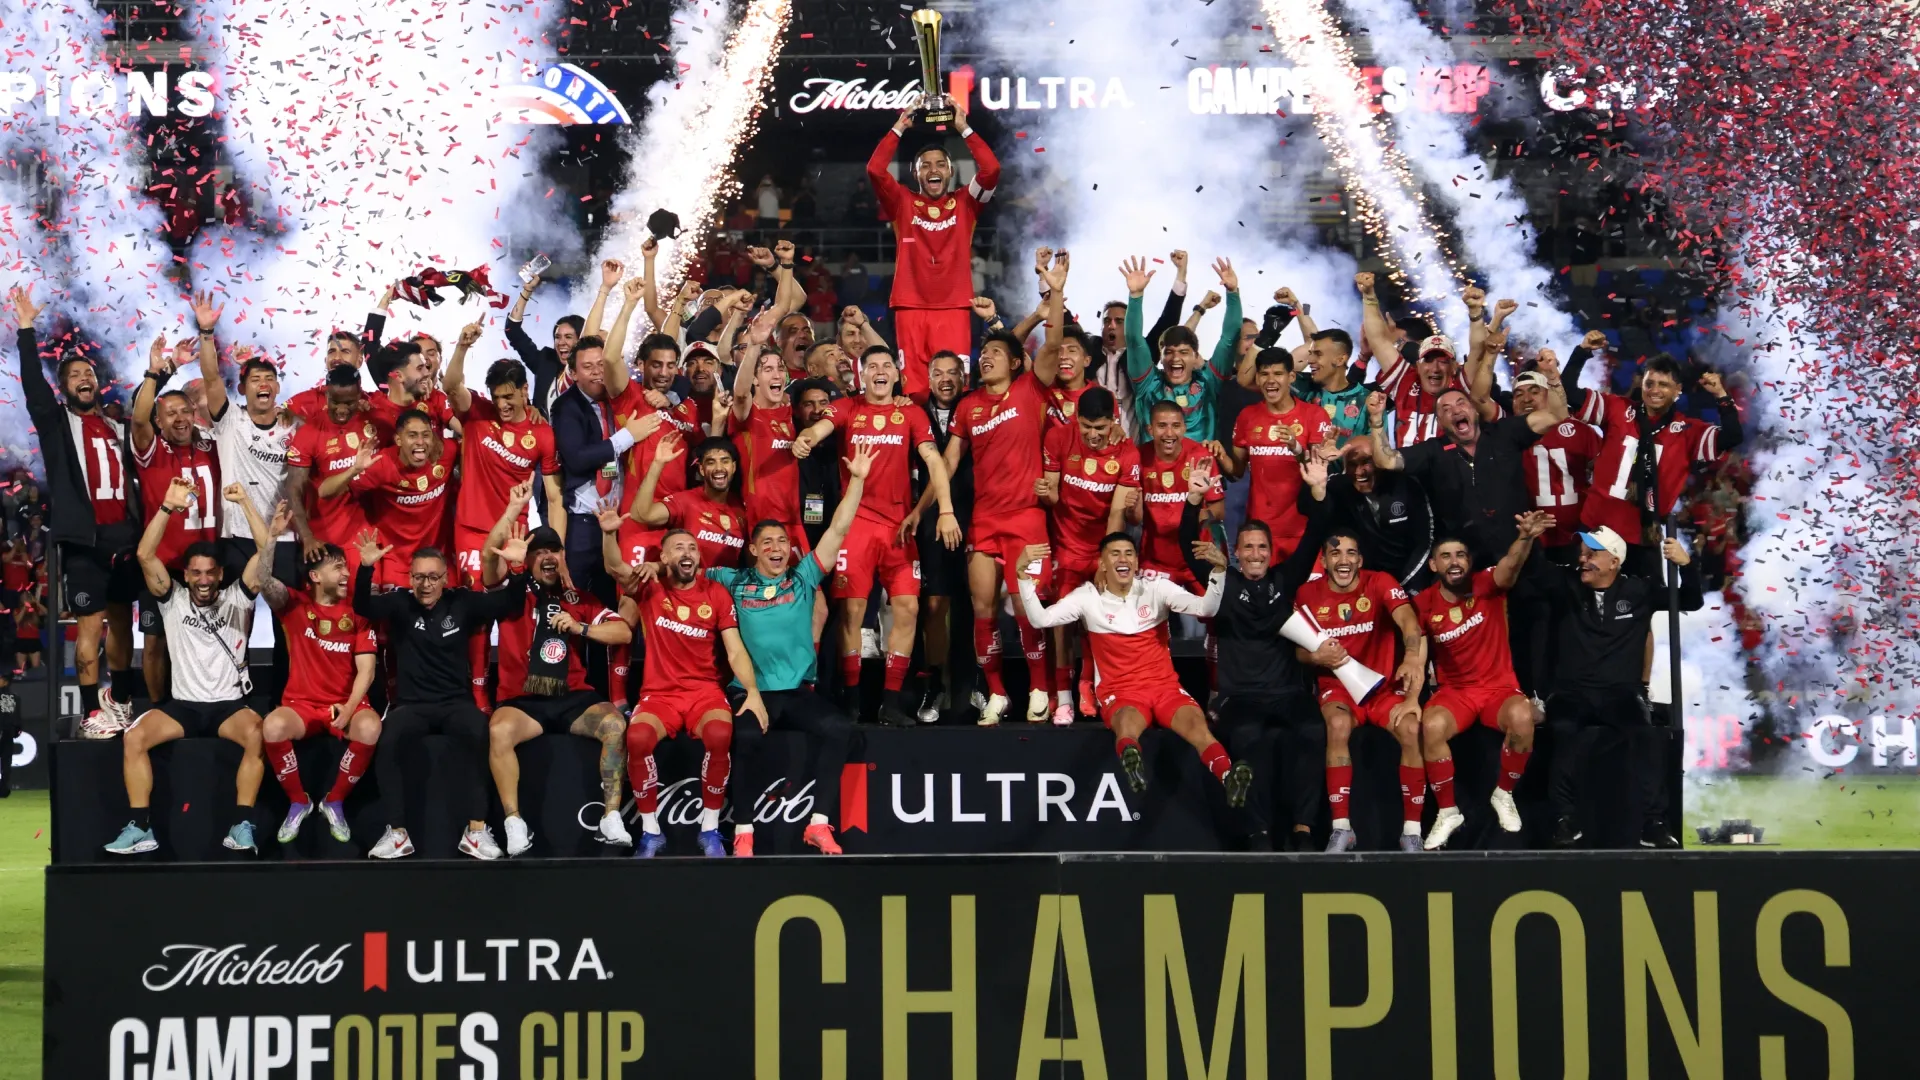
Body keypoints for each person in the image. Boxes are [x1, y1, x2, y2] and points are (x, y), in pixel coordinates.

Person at [701, 441, 877, 856]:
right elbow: (683, 566)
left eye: (782, 542)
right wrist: (654, 564)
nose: (778, 548)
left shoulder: (802, 579)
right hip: (750, 693)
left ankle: (818, 824)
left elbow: (837, 529)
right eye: (768, 543)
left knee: (840, 731)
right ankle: (743, 831)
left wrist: (857, 482)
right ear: (754, 550)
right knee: (742, 739)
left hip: (796, 694)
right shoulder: (732, 580)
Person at [351, 486, 531, 860]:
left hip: (455, 703)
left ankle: (477, 832)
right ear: (410, 578)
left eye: (433, 578)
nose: (426, 584)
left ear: (445, 578)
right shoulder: (401, 604)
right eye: (419, 577)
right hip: (412, 705)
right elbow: (363, 604)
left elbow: (511, 605)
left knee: (479, 735)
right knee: (388, 742)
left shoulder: (461, 602)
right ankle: (397, 833)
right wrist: (366, 568)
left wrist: (516, 569)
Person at [791, 344, 961, 724]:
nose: (880, 371)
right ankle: (851, 702)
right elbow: (821, 425)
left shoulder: (911, 413)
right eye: (872, 366)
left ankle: (892, 702)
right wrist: (808, 438)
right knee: (851, 612)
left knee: (910, 608)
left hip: (899, 528)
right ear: (862, 374)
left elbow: (934, 460)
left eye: (887, 365)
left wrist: (944, 511)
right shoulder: (849, 408)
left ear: (897, 375)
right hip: (856, 527)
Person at [104, 479, 274, 855]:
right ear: (185, 574)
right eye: (195, 573)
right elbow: (146, 555)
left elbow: (266, 551)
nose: (202, 580)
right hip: (182, 707)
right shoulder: (173, 599)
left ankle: (242, 823)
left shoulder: (238, 597)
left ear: (219, 575)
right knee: (134, 738)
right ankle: (140, 827)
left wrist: (245, 501)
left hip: (228, 707)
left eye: (209, 573)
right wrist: (166, 506)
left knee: (260, 734)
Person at [1015, 534, 1249, 803]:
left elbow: (1205, 609)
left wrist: (1219, 572)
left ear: (1137, 562)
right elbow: (1040, 618)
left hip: (1165, 688)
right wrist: (1022, 575)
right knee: (1127, 724)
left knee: (1198, 727)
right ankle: (1132, 763)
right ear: (1102, 563)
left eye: (1129, 553)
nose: (1123, 559)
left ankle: (1228, 777)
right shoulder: (1087, 598)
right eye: (1115, 554)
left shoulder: (1157, 589)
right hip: (1122, 692)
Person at [12, 286, 143, 736]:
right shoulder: (56, 424)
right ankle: (91, 712)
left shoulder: (115, 425)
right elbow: (33, 385)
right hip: (85, 543)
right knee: (89, 628)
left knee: (123, 626)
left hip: (124, 538)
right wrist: (26, 329)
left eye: (88, 371)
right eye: (74, 375)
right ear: (65, 388)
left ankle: (121, 701)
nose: (84, 377)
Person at [608, 528, 766, 858]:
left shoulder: (717, 593)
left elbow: (734, 650)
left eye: (693, 548)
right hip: (659, 694)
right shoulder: (650, 588)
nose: (688, 553)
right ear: (664, 557)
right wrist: (610, 534)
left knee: (721, 733)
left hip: (704, 693)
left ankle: (709, 830)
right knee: (636, 739)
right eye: (679, 548)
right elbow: (615, 568)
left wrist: (752, 690)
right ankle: (651, 833)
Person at [1542, 525, 1701, 849]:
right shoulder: (1567, 585)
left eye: (1592, 553)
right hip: (1573, 691)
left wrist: (1687, 566)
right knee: (1563, 730)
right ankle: (1564, 819)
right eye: (1582, 552)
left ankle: (1653, 824)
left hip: (1621, 693)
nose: (1583, 559)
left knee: (1646, 735)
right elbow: (1530, 574)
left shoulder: (1640, 591)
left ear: (1615, 561)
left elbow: (1692, 600)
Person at [937, 322, 1060, 726]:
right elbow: (950, 461)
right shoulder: (968, 405)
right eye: (982, 352)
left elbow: (1054, 344)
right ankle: (997, 693)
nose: (985, 357)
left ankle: (1039, 687)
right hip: (984, 520)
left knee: (1028, 606)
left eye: (995, 351)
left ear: (1014, 361)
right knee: (982, 609)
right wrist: (938, 507)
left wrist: (1055, 293)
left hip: (1026, 517)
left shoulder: (1029, 389)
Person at [485, 523, 635, 856]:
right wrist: (511, 558)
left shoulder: (576, 598)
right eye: (539, 551)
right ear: (528, 559)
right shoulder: (511, 595)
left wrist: (581, 627)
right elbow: (487, 564)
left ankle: (611, 817)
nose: (547, 557)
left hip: (573, 698)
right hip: (524, 701)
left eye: (553, 550)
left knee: (614, 725)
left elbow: (623, 632)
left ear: (563, 557)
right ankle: (514, 822)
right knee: (499, 731)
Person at [444, 326, 568, 709]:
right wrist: (462, 345)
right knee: (479, 610)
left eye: (510, 396)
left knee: (515, 614)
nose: (503, 405)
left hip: (516, 535)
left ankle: (515, 692)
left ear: (525, 391)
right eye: (498, 397)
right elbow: (451, 386)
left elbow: (554, 496)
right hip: (470, 530)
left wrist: (556, 550)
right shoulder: (477, 412)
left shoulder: (542, 434)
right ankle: (479, 696)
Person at [1414, 515, 1551, 851]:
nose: (1454, 561)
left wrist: (1525, 538)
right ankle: (1448, 812)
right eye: (1445, 556)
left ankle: (1503, 793)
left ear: (1469, 562)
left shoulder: (1486, 584)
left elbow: (1511, 564)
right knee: (1430, 725)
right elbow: (1416, 657)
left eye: (1460, 555)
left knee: (1522, 718)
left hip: (1498, 690)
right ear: (1433, 564)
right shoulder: (1422, 605)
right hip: (1456, 693)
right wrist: (1409, 698)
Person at [1294, 530, 1428, 852]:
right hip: (1338, 689)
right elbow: (1298, 650)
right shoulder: (1306, 593)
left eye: (1351, 553)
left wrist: (1411, 658)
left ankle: (1412, 832)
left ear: (1360, 560)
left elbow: (1409, 621)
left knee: (1411, 728)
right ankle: (1342, 829)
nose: (1344, 560)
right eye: (1336, 554)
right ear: (1324, 561)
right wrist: (1315, 657)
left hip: (1382, 690)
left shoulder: (1379, 582)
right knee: (1337, 725)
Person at [1365, 364, 1569, 568]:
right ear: (1441, 422)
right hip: (1469, 565)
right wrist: (1376, 420)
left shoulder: (1505, 433)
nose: (1455, 411)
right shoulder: (1433, 451)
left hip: (1522, 556)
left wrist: (1552, 377)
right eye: (1446, 409)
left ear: (1474, 411)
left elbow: (1555, 416)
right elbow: (1386, 460)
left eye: (1461, 404)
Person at [867, 94, 1000, 397]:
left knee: (953, 386)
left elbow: (991, 170)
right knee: (915, 390)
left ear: (951, 172)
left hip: (953, 306)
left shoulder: (967, 203)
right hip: (910, 306)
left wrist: (964, 129)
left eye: (940, 164)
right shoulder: (902, 202)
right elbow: (875, 170)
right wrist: (900, 127)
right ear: (916, 174)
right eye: (924, 165)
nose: (933, 169)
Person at [256, 542, 380, 846]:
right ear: (314, 575)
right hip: (302, 704)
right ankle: (299, 802)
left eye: (345, 567)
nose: (345, 573)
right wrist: (271, 537)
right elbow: (262, 580)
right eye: (337, 567)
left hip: (343, 704)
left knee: (371, 727)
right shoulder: (294, 605)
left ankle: (334, 801)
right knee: (272, 726)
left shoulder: (358, 610)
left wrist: (350, 708)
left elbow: (367, 670)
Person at [1570, 352, 1743, 566]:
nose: (1655, 390)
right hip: (1595, 527)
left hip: (1640, 538)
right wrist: (1581, 352)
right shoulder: (1618, 408)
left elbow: (1733, 436)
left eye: (1663, 384)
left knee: (1641, 598)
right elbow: (1571, 394)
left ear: (1678, 390)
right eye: (1649, 383)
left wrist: (1721, 396)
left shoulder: (1687, 431)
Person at [128, 337, 222, 705]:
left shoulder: (210, 446)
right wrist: (157, 371)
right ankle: (158, 708)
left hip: (208, 565)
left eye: (186, 411)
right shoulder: (152, 451)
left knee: (211, 638)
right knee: (155, 642)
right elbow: (138, 418)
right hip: (164, 565)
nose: (181, 418)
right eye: (171, 413)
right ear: (159, 420)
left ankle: (210, 701)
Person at [1039, 387, 1139, 721]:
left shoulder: (1128, 454)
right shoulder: (1058, 438)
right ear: (1075, 419)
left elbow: (1116, 515)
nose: (1093, 435)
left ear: (1114, 420)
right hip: (1065, 546)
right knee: (1061, 623)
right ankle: (1063, 695)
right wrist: (1046, 494)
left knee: (1097, 621)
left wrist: (1106, 562)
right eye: (1086, 427)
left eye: (1100, 428)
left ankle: (1088, 686)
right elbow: (1052, 494)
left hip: (1101, 547)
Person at [1219, 347, 1335, 560]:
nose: (1270, 380)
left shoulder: (1314, 415)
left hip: (1303, 530)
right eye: (1264, 374)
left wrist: (1296, 448)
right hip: (1260, 533)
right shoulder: (1247, 416)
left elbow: (1318, 473)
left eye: (1278, 374)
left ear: (1291, 376)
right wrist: (1220, 457)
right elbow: (1236, 472)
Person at [327, 410, 460, 591]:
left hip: (437, 560)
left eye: (426, 435)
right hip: (396, 562)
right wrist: (354, 470)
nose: (420, 442)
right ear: (398, 440)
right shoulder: (382, 464)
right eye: (412, 436)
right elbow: (325, 492)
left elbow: (473, 439)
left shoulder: (447, 453)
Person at [1123, 256, 1241, 442]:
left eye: (1184, 352)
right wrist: (1136, 297)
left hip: (1202, 469)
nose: (1175, 358)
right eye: (1168, 352)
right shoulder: (1148, 384)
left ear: (1196, 357)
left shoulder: (1209, 381)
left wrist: (1233, 293)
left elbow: (1229, 338)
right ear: (1160, 357)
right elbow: (1133, 340)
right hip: (1155, 470)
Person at [913, 350, 972, 720]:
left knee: (976, 604)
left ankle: (977, 683)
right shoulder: (914, 410)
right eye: (939, 373)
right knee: (935, 604)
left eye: (954, 373)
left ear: (964, 379)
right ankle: (934, 686)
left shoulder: (979, 405)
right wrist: (921, 513)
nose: (946, 379)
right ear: (929, 378)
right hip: (932, 516)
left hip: (975, 512)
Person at [285, 365, 376, 580]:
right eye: (335, 402)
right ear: (326, 394)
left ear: (360, 393)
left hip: (365, 539)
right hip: (322, 541)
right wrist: (307, 536)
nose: (342, 409)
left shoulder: (374, 422)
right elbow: (293, 488)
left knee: (364, 609)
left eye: (349, 402)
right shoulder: (309, 433)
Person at [1324, 438, 1434, 589]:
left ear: (1380, 461)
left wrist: (1403, 585)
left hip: (1412, 580)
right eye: (1352, 464)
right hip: (1367, 584)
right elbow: (1308, 505)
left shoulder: (1406, 485)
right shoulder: (1340, 487)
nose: (1358, 471)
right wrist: (1321, 464)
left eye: (1366, 462)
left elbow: (1426, 542)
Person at [1139, 401, 1223, 592]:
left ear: (1185, 428)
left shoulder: (1201, 456)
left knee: (1215, 617)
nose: (1169, 434)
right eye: (1162, 426)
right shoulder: (1139, 456)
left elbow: (1219, 511)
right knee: (1145, 619)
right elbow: (1133, 517)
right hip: (1155, 561)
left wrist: (1194, 518)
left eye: (1176, 426)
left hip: (1197, 558)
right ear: (1150, 429)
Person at [632, 432, 748, 570]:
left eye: (725, 461)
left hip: (725, 590)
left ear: (733, 467)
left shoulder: (741, 508)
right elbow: (641, 515)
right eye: (711, 462)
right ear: (702, 469)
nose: (719, 468)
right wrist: (658, 464)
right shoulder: (686, 501)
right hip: (691, 588)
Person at [504, 273, 586, 413]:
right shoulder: (545, 361)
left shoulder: (591, 370)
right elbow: (512, 331)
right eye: (557, 337)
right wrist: (527, 291)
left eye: (568, 337)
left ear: (580, 339)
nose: (561, 342)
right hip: (542, 433)